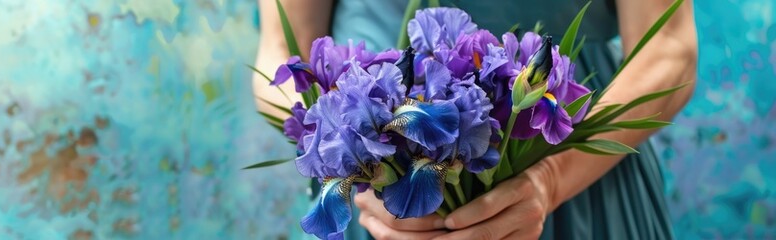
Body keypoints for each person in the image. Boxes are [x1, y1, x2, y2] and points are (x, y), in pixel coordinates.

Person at [251, 0, 697, 239]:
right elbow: (281, 53)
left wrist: (551, 179)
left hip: (575, 171)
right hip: (377, 205)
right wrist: (361, 166)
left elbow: (669, 49)